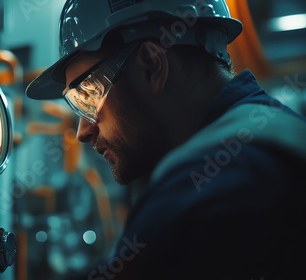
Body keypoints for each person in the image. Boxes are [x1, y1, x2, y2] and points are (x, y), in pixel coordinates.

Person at [26, 0, 306, 279]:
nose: (82, 131)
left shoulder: (211, 192)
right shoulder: (271, 133)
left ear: (152, 65)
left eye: (87, 96)